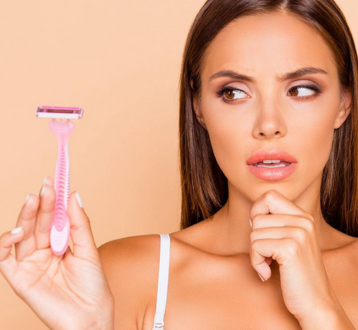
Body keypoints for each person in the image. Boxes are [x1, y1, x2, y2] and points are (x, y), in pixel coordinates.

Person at [1, 0, 358, 329]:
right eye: (233, 92)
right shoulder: (130, 275)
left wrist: (322, 310)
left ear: (344, 103)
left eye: (301, 89)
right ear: (199, 107)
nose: (268, 124)